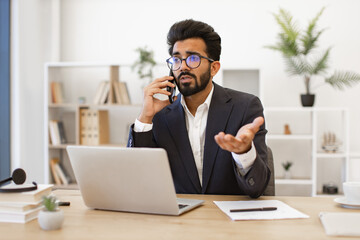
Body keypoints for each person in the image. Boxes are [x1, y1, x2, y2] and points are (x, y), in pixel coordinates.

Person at [127, 19, 270, 198]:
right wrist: (145, 118)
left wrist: (244, 153)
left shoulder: (245, 107)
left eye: (193, 58)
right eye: (177, 59)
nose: (183, 66)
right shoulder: (160, 114)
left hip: (228, 220)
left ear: (214, 68)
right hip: (177, 218)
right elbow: (137, 179)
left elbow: (257, 188)